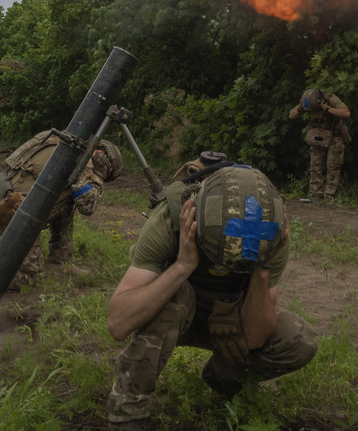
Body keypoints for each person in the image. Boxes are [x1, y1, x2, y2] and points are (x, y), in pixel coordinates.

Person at [105, 165, 319, 429]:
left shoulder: (271, 237)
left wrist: (261, 271)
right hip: (176, 317)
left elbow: (254, 337)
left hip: (230, 325)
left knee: (301, 339)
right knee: (174, 294)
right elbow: (118, 323)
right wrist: (182, 266)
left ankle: (224, 377)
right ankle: (128, 415)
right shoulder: (171, 221)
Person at [0, 130, 122, 291]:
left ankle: (60, 262)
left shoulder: (63, 142)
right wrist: (97, 177)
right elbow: (88, 205)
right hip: (11, 210)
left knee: (68, 202)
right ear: (100, 154)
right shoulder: (82, 159)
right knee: (30, 278)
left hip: (7, 199)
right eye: (107, 172)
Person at [288, 88, 352, 201]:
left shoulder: (330, 99)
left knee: (333, 166)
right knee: (315, 165)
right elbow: (291, 115)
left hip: (335, 134)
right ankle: (316, 195)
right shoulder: (306, 100)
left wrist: (327, 108)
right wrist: (299, 108)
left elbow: (346, 113)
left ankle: (329, 197)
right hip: (318, 133)